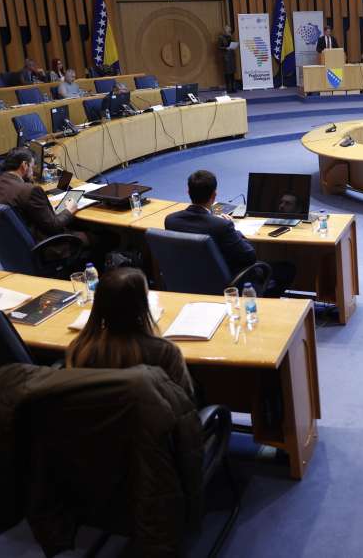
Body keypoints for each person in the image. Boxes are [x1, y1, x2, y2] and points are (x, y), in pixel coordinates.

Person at [66, 267, 194, 399]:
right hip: (154, 412)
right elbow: (185, 400)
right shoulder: (165, 351)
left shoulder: (79, 348)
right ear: (142, 306)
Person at [164, 170, 295, 296]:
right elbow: (249, 256)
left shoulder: (171, 220)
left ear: (188, 192)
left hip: (187, 279)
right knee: (286, 269)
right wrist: (234, 228)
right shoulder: (222, 225)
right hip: (225, 284)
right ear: (214, 195)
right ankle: (259, 303)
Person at [0, 147, 87, 248]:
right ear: (24, 165)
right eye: (32, 167)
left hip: (11, 246)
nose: (33, 172)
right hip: (45, 246)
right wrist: (69, 210)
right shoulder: (29, 190)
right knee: (92, 235)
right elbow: (54, 227)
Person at [217, 25, 237, 92]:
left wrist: (234, 44)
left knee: (232, 72)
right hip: (226, 57)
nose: (229, 30)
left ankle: (234, 88)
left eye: (229, 29)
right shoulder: (221, 37)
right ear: (225, 30)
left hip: (232, 56)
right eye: (228, 29)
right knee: (228, 73)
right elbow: (219, 47)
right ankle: (229, 88)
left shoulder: (230, 36)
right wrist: (226, 48)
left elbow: (233, 44)